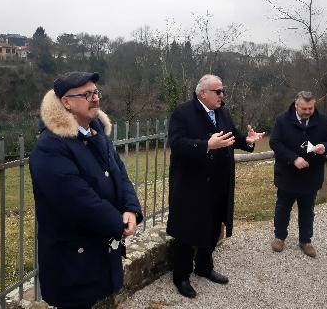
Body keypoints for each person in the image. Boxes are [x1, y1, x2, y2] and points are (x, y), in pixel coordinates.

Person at [29, 71, 143, 309]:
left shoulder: (97, 133)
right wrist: (117, 223)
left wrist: (131, 209)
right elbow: (77, 200)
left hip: (100, 249)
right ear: (66, 102)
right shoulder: (50, 145)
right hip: (72, 259)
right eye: (86, 94)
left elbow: (120, 175)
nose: (95, 98)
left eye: (95, 92)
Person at [166, 74, 265, 298]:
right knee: (187, 232)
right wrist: (205, 146)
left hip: (219, 183)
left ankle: (204, 266)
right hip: (192, 185)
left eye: (223, 91)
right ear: (203, 93)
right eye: (218, 91)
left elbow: (234, 137)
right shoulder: (183, 112)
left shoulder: (222, 112)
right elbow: (177, 144)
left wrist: (247, 140)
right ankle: (181, 276)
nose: (222, 96)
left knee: (212, 227)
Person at [270, 91, 327, 258]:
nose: (308, 111)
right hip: (287, 174)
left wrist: (325, 147)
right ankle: (279, 237)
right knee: (283, 208)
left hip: (312, 175)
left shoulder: (323, 121)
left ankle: (305, 241)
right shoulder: (282, 120)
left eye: (311, 108)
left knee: (308, 210)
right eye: (304, 108)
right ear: (296, 105)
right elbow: (275, 142)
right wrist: (293, 158)